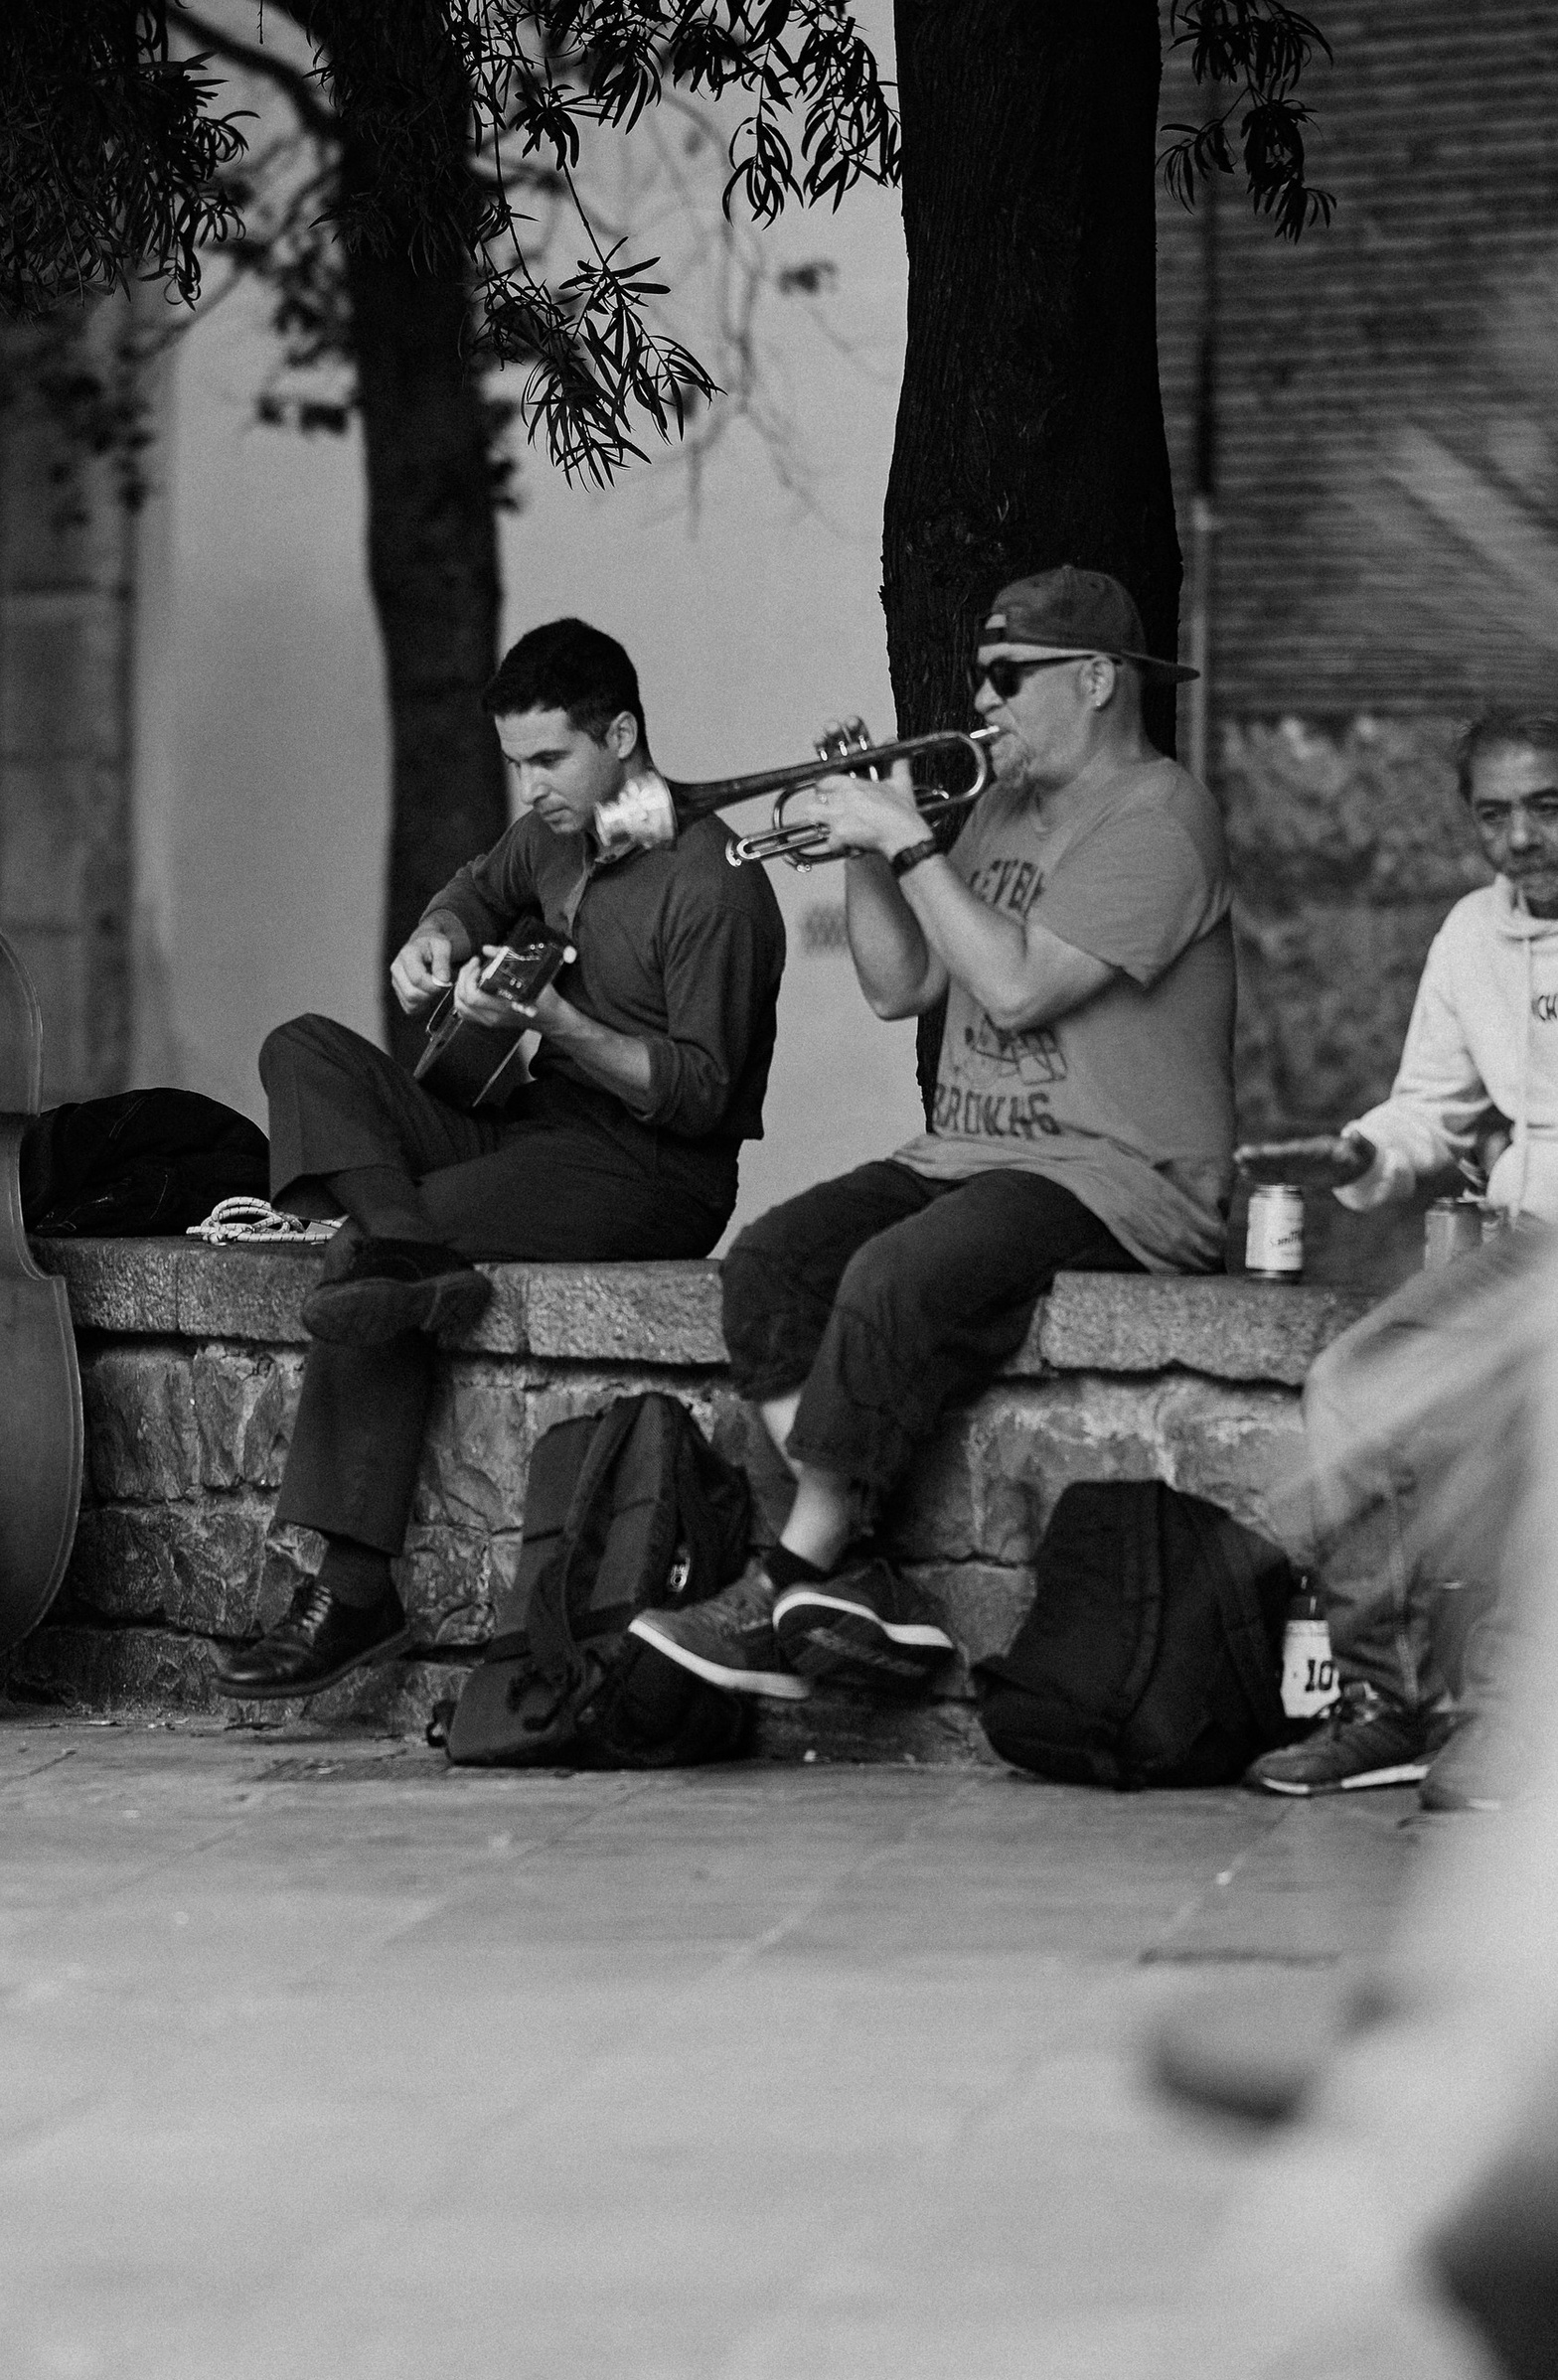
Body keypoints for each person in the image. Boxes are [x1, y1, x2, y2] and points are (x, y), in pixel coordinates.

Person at [633, 563, 1233, 1709]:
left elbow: (1010, 991)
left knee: (890, 1277)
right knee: (770, 1265)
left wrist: (907, 841)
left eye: (1009, 678)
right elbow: (897, 986)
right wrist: (865, 843)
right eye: (981, 680)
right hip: (964, 1152)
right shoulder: (1000, 808)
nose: (986, 703)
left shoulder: (1162, 816)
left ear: (1099, 680)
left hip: (1118, 1175)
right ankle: (847, 1569)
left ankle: (798, 1569)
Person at [212, 618, 785, 1703]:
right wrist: (434, 938)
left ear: (621, 733)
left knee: (369, 1255)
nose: (529, 785)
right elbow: (477, 889)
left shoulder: (714, 885)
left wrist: (560, 1024)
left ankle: (354, 1591)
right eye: (514, 761)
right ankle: (404, 1246)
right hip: (525, 1122)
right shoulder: (559, 837)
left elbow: (704, 1097)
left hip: (649, 1170)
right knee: (303, 1049)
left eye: (549, 758)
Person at [1246, 703, 1558, 1802]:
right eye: (1495, 815)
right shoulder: (1473, 932)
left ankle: (1512, 1720)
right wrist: (1356, 1150)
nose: (1521, 839)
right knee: (1349, 1382)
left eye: (1545, 808)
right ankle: (1387, 1702)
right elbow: (1428, 1110)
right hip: (1530, 1247)